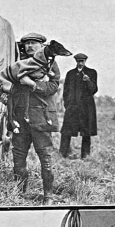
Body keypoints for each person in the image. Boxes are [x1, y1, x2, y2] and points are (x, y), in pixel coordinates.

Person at [9, 32, 62, 203]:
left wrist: (32, 84)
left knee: (45, 158)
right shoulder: (18, 64)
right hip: (20, 117)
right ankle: (19, 193)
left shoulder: (50, 63)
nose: (30, 46)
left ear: (42, 46)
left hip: (41, 118)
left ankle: (49, 196)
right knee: (18, 157)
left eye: (34, 43)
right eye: (27, 43)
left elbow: (52, 87)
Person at [60, 52, 98, 159]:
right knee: (67, 130)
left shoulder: (91, 72)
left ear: (85, 61)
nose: (80, 63)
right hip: (72, 106)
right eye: (78, 61)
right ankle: (63, 153)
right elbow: (66, 91)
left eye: (82, 61)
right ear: (76, 61)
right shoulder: (70, 74)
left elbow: (94, 89)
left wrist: (88, 81)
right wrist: (67, 103)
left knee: (86, 132)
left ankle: (85, 155)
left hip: (86, 108)